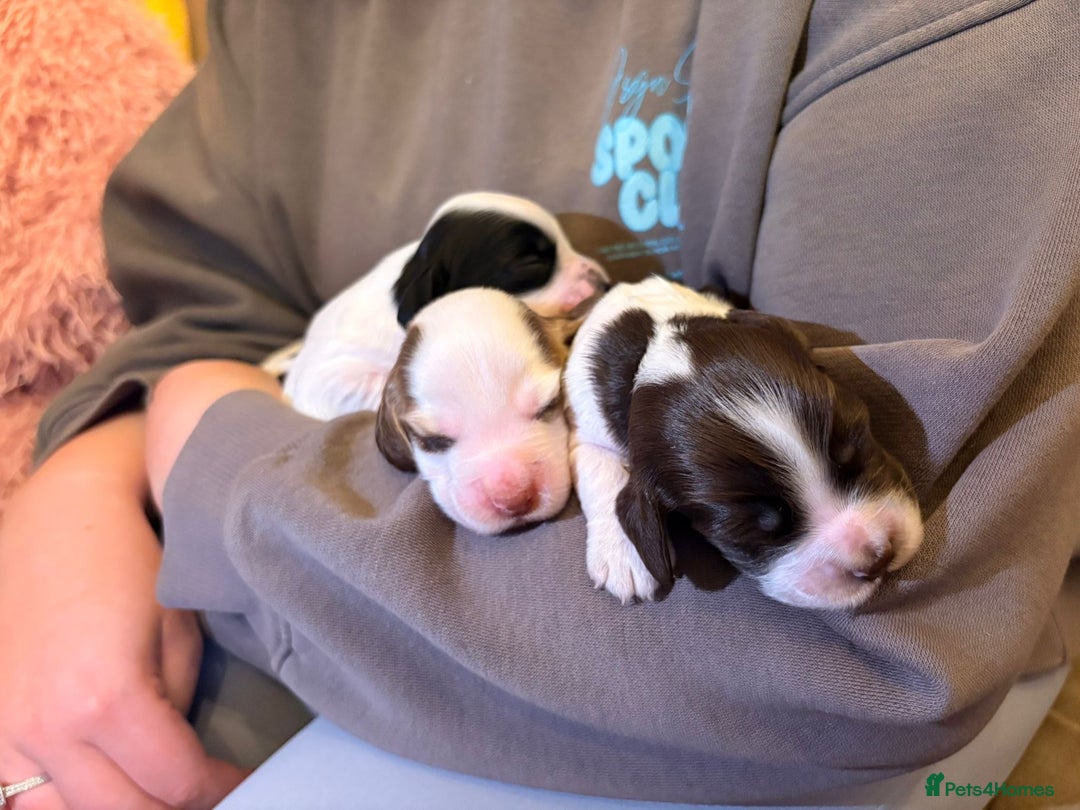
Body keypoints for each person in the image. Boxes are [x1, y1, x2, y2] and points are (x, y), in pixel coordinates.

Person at [2, 1, 1078, 807]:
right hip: (216, 604)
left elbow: (884, 653)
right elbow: (193, 307)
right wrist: (102, 454)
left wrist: (212, 461)